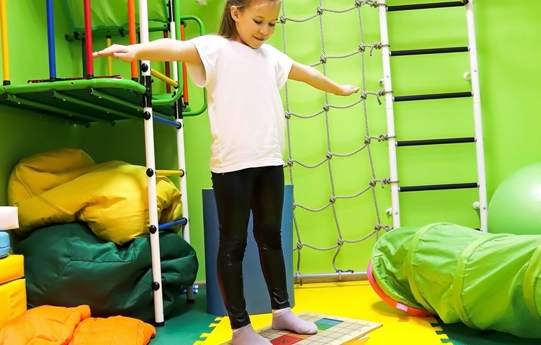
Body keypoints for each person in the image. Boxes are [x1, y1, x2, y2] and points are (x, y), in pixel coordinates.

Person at [93, 0, 359, 344]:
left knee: (271, 238)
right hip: (232, 166)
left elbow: (305, 72)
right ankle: (240, 329)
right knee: (233, 245)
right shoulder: (214, 49)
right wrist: (135, 49)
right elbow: (175, 48)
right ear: (235, 12)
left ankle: (282, 311)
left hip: (269, 162)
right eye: (258, 21)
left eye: (272, 24)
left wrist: (337, 88)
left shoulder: (270, 57)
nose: (264, 30)